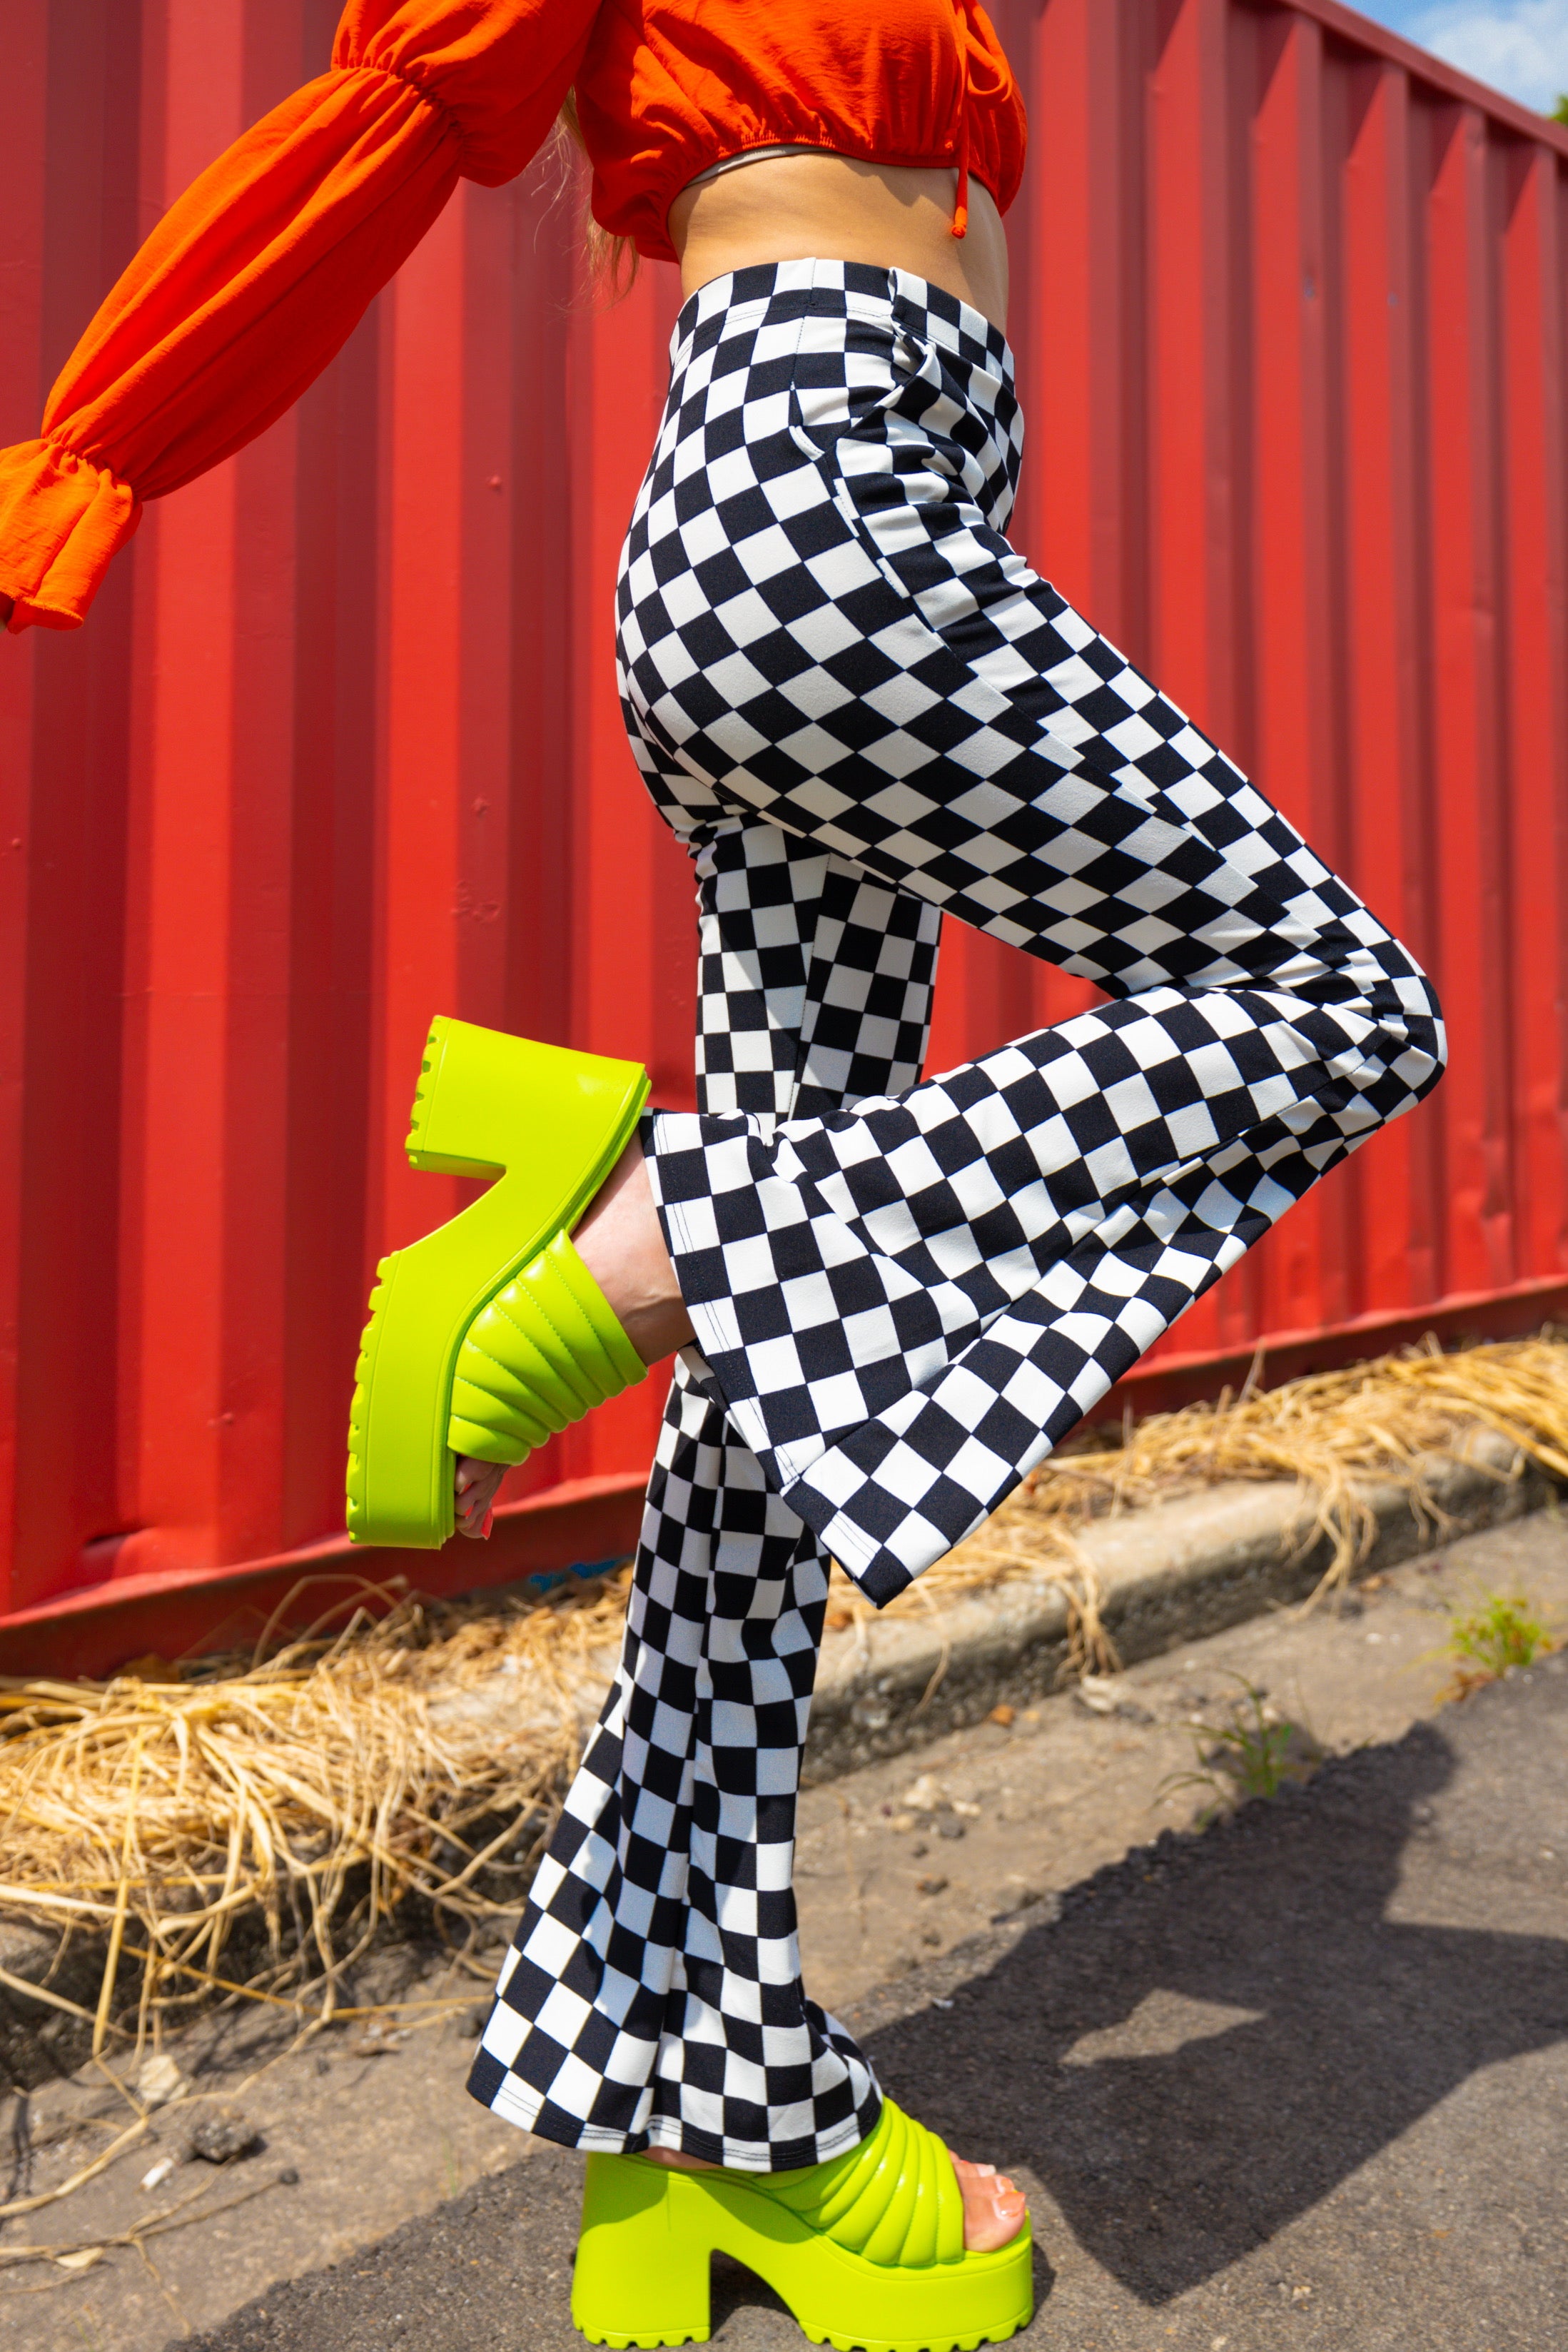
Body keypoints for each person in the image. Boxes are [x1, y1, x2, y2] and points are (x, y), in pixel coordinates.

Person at [0, 5, 1445, 2344]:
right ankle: (635, 1232)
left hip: (843, 502)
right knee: (1341, 1007)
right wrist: (84, 453)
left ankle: (689, 2093)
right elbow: (392, 114)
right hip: (822, 508)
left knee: (772, 1435)